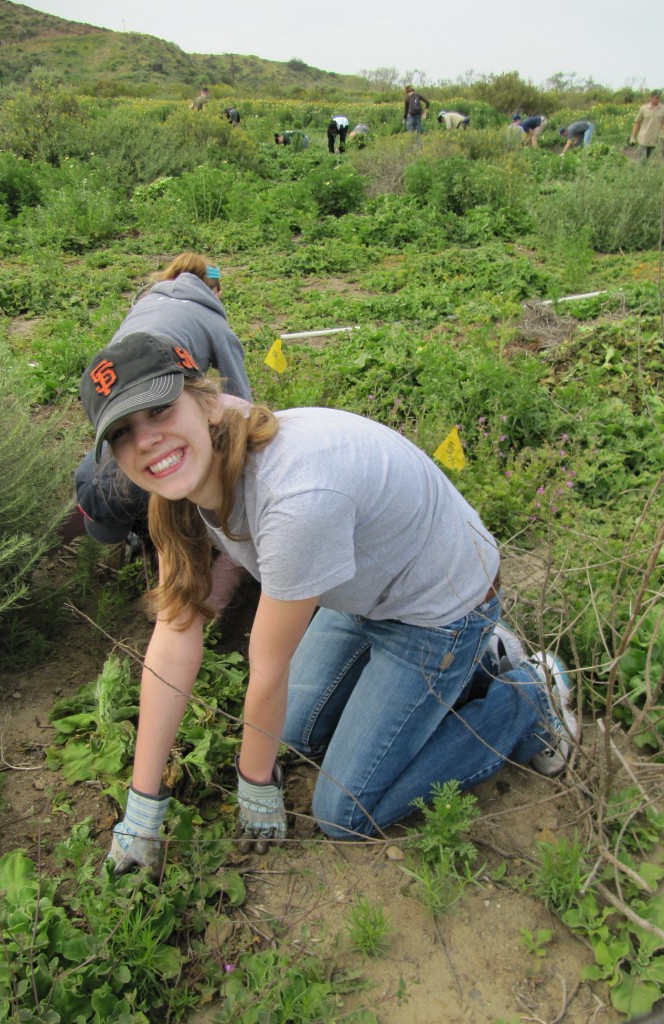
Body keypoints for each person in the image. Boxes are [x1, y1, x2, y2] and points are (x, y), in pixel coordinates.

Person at [78, 334, 579, 873]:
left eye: (159, 409)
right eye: (124, 432)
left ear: (205, 398)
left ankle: (529, 697)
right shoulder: (194, 469)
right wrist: (142, 807)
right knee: (292, 733)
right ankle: (477, 663)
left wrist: (256, 787)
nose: (148, 440)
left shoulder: (293, 496)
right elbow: (176, 636)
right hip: (363, 588)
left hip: (441, 608)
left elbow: (268, 669)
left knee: (346, 811)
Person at [72, 254, 251, 547]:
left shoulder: (145, 303)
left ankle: (152, 522)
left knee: (142, 452)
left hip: (116, 391)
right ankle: (163, 524)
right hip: (160, 388)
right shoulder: (213, 320)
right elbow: (242, 399)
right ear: (215, 291)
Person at [630, 90, 663, 160]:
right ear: (651, 97)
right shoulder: (643, 108)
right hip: (643, 139)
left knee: (651, 161)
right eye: (656, 97)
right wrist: (633, 136)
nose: (657, 99)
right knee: (640, 160)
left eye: (659, 98)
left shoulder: (662, 109)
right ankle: (639, 170)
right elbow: (637, 122)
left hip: (655, 140)